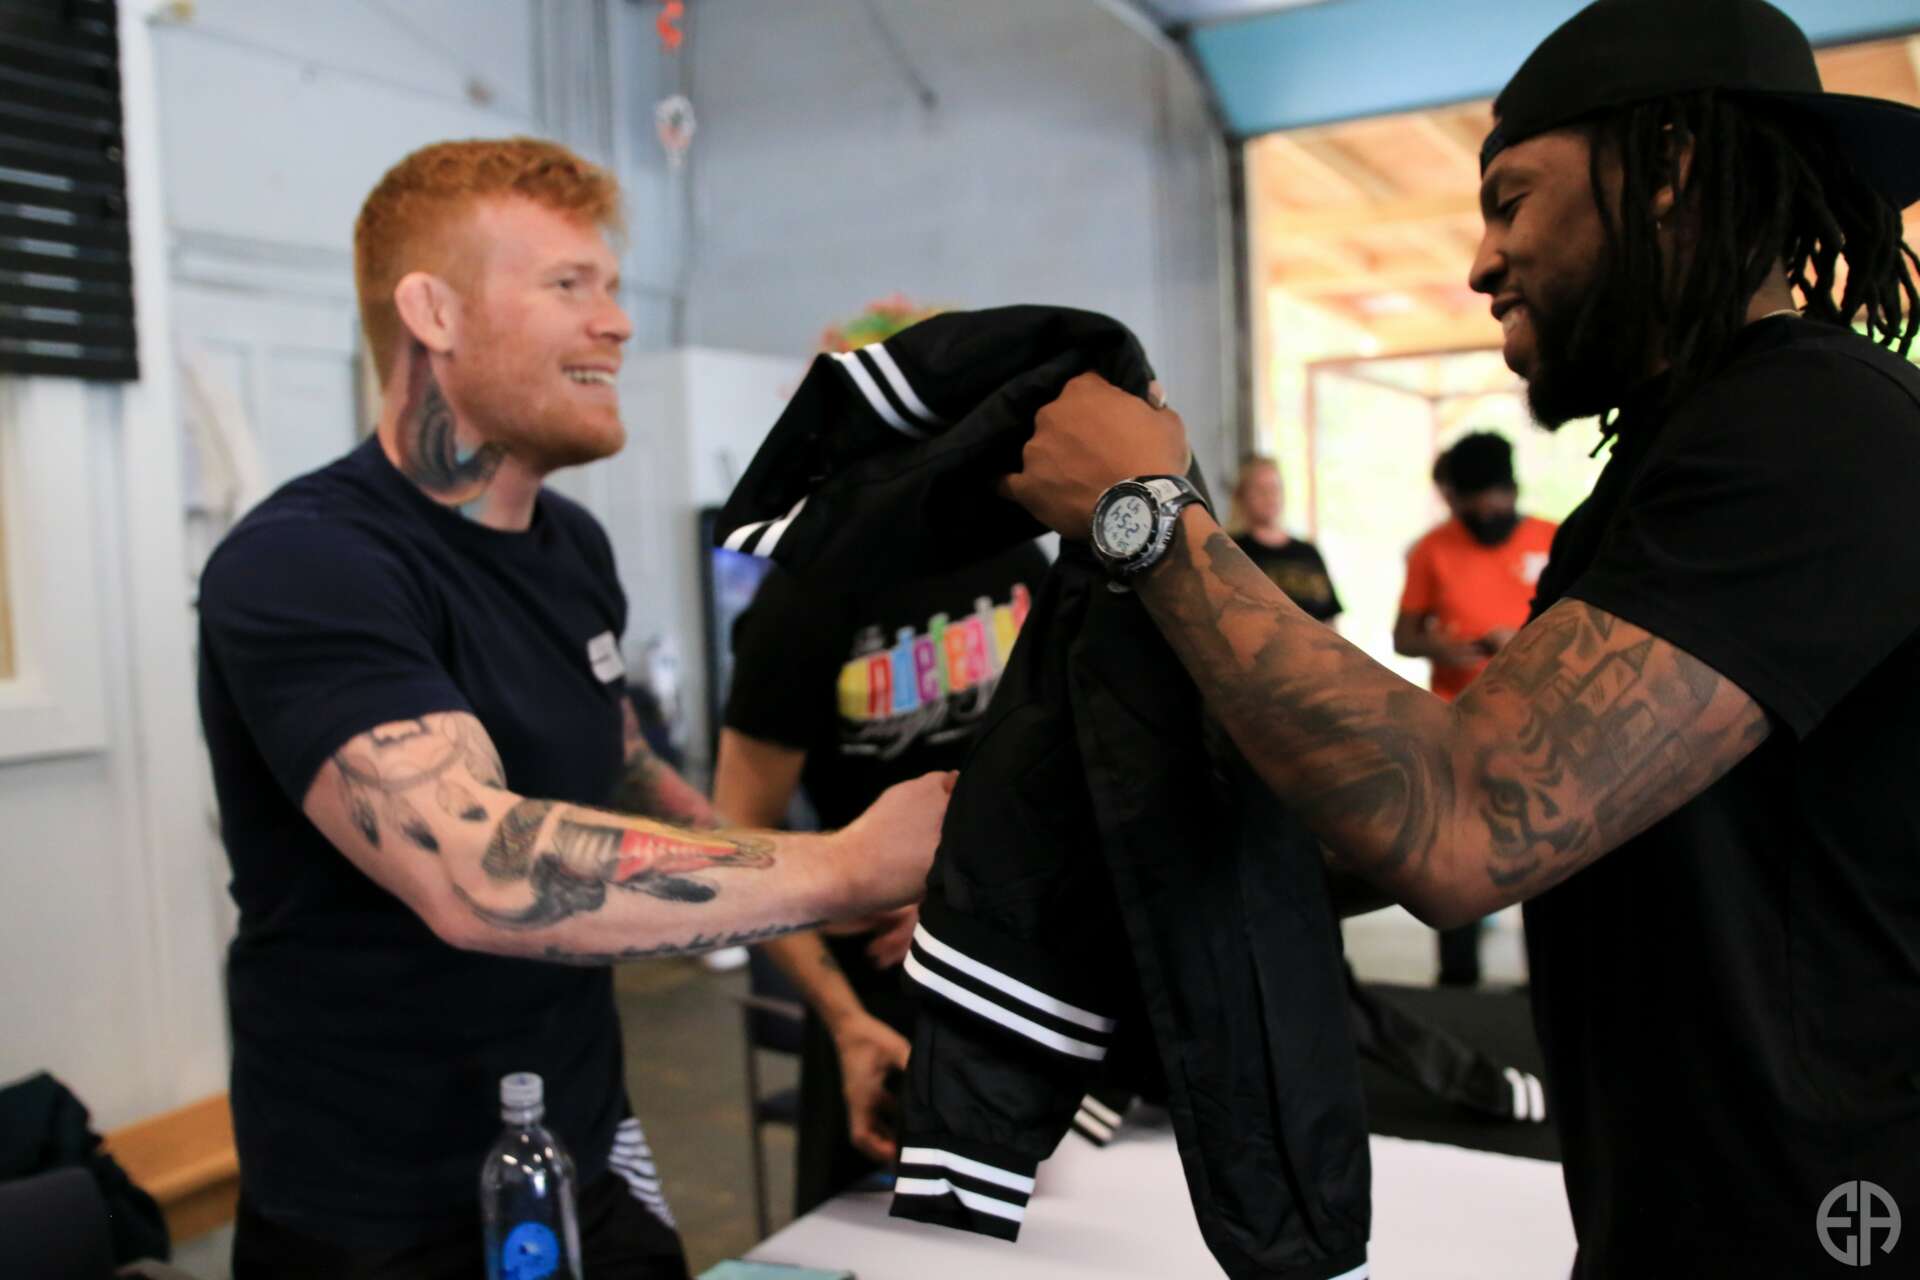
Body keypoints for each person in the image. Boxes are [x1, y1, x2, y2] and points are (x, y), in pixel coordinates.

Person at [1001, 0, 1920, 1272]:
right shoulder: (1675, 460)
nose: (1482, 264)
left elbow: (1469, 819)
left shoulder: (1815, 428)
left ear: (1668, 170)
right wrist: (1034, 873)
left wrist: (1147, 518)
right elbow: (1423, 818)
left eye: (1510, 201)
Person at [196, 138, 950, 1280]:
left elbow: (637, 785)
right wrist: (847, 863)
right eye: (568, 285)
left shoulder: (572, 549)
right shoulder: (308, 560)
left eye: (612, 286)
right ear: (433, 312)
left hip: (583, 1149)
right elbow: (477, 869)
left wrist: (839, 1003)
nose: (618, 323)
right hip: (381, 1213)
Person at [715, 540, 1050, 1214]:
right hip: (882, 1006)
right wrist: (845, 1020)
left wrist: (966, 884)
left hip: (1023, 976)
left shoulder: (1015, 561)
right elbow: (736, 843)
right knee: (879, 1241)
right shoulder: (804, 597)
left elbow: (1064, 768)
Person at [1394, 432, 1557, 985]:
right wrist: (1445, 646)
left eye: (1495, 501)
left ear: (1512, 490)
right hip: (1456, 724)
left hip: (1540, 726)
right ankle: (1458, 979)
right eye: (1475, 505)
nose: (1488, 514)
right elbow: (1404, 637)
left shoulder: (1552, 538)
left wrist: (1523, 642)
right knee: (1457, 854)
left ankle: (1546, 981)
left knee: (1545, 856)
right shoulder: (1432, 549)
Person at [1228, 456, 1341, 626]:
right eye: (1260, 489)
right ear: (1242, 496)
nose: (1269, 496)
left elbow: (1330, 618)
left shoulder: (1308, 553)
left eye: (1274, 488)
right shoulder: (1232, 550)